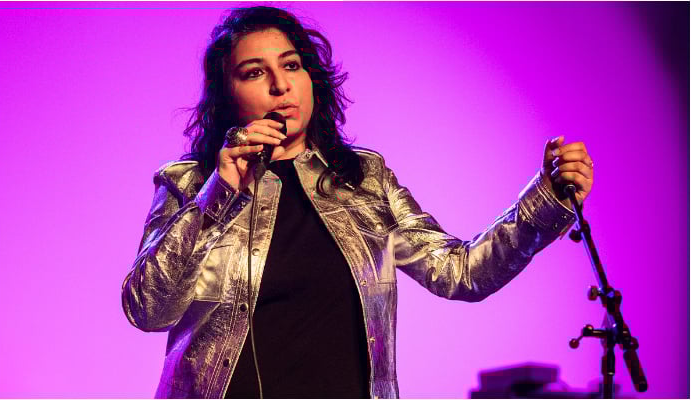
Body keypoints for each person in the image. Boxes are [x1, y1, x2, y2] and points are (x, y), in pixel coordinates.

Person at [121, 5, 594, 399]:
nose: (280, 85)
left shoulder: (364, 179)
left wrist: (545, 200)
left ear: (312, 77)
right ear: (228, 96)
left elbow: (459, 271)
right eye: (255, 73)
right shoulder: (190, 182)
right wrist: (220, 192)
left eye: (291, 65)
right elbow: (147, 309)